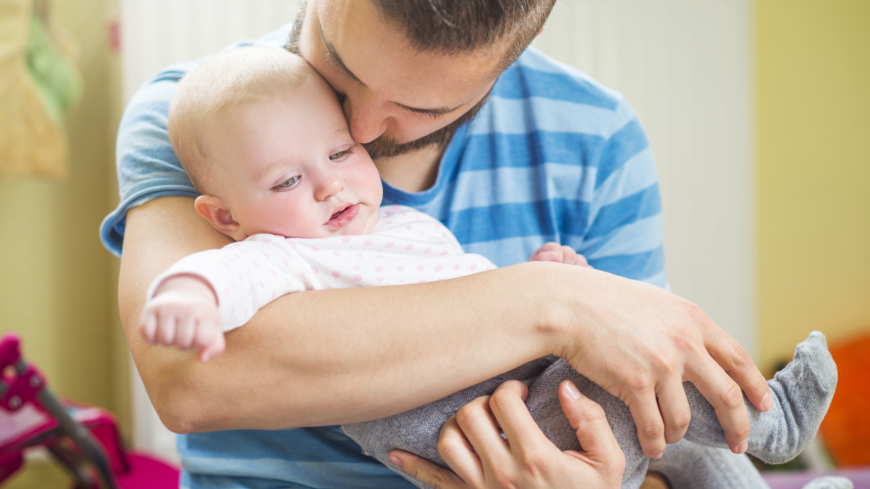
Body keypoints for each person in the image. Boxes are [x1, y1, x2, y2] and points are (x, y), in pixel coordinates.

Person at [102, 1, 777, 487]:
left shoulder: (597, 137)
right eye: (341, 67)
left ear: (506, 63)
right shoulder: (199, 118)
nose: (361, 128)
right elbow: (190, 376)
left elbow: (650, 413)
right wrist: (556, 301)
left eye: (422, 109)